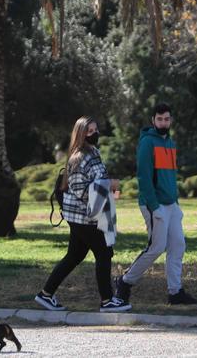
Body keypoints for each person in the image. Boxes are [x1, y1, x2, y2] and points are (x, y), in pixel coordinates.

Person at [34, 117, 131, 313]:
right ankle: (107, 300)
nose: (94, 133)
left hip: (84, 214)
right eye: (89, 131)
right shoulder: (79, 157)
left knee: (74, 255)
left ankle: (45, 295)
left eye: (95, 129)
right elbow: (80, 189)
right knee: (104, 253)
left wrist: (109, 189)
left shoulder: (93, 152)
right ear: (81, 134)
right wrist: (109, 185)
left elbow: (96, 180)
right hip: (82, 216)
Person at [114, 103, 197, 307]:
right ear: (153, 120)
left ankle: (175, 293)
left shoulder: (170, 143)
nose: (163, 122)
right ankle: (124, 282)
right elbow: (143, 178)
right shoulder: (147, 143)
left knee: (178, 245)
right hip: (154, 205)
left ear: (170, 120)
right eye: (159, 119)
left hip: (171, 205)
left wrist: (176, 204)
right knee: (156, 247)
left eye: (166, 119)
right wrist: (154, 206)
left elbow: (169, 176)